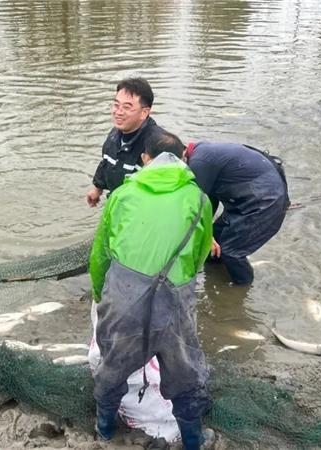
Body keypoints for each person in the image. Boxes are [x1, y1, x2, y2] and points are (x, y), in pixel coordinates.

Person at [89, 131, 214, 450]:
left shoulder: (122, 194)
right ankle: (192, 441)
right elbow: (199, 257)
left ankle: (103, 431)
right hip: (173, 306)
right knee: (186, 376)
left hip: (124, 301)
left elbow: (100, 255)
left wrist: (100, 294)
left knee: (113, 367)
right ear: (184, 159)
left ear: (144, 159)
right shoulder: (199, 198)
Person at [185, 141, 289, 285]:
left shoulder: (198, 163)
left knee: (231, 251)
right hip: (248, 197)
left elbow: (194, 207)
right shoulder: (201, 152)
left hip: (265, 201)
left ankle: (240, 291)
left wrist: (205, 234)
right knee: (216, 242)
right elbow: (208, 201)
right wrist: (209, 232)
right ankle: (214, 278)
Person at [86, 77, 166, 207]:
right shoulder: (115, 134)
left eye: (127, 107)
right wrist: (97, 189)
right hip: (116, 205)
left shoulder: (158, 145)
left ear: (144, 112)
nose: (118, 112)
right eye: (116, 105)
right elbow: (106, 162)